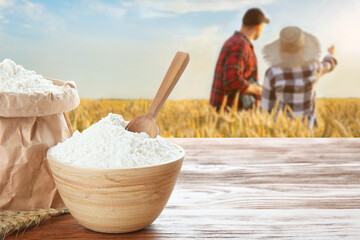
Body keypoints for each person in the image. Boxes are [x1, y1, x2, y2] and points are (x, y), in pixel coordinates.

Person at [260, 26, 337, 127]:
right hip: (309, 130)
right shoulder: (314, 67)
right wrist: (331, 53)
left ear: (280, 51)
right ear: (303, 50)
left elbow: (266, 110)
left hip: (282, 131)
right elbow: (330, 64)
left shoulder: (272, 73)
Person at [210, 8, 269, 111]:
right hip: (231, 113)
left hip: (228, 115)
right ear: (259, 26)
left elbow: (239, 79)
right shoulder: (240, 45)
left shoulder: (235, 42)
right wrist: (258, 90)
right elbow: (233, 80)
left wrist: (255, 89)